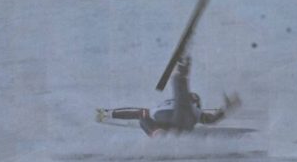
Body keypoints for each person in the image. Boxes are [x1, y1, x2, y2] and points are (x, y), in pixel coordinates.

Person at [97, 58, 238, 136]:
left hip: (178, 116)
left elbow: (135, 112)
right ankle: (158, 134)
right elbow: (211, 119)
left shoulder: (192, 108)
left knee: (142, 116)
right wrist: (226, 109)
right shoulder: (195, 110)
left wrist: (107, 114)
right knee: (143, 117)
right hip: (176, 122)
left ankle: (181, 71)